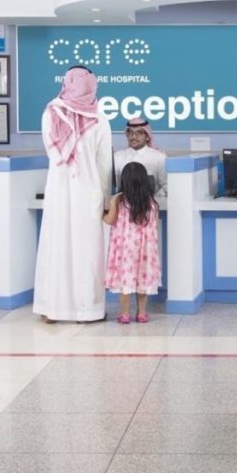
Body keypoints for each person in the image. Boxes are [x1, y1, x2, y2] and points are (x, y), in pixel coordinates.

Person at [33, 65, 113, 324]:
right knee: (87, 252)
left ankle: (51, 309)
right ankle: (87, 311)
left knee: (56, 247)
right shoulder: (99, 118)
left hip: (59, 191)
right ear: (92, 85)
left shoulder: (50, 113)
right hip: (88, 193)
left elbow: (53, 154)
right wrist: (105, 199)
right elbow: (104, 165)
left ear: (67, 83)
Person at [103, 161, 161, 324]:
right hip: (145, 250)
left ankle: (124, 314)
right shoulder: (151, 203)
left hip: (126, 249)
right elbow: (154, 226)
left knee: (125, 281)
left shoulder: (118, 200)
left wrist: (102, 214)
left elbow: (110, 220)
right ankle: (141, 313)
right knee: (143, 279)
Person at [113, 117, 167, 197]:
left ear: (147, 136)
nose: (133, 137)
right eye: (130, 132)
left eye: (139, 133)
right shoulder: (117, 157)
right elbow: (115, 187)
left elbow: (166, 186)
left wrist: (151, 200)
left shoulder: (159, 158)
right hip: (123, 203)